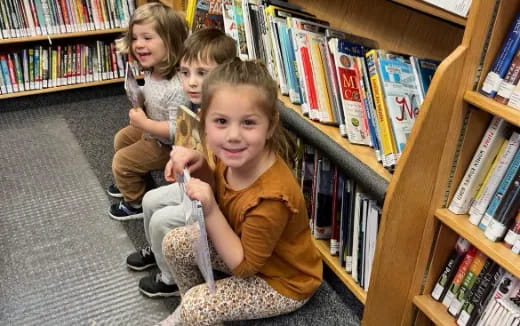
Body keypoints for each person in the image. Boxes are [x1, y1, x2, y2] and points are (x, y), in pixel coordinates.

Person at [160, 59, 323, 325]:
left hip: (282, 280)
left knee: (197, 306)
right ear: (204, 121)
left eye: (248, 123)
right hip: (241, 245)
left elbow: (245, 267)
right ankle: (190, 309)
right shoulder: (230, 153)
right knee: (174, 244)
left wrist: (210, 208)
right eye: (221, 121)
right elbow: (220, 190)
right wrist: (199, 165)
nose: (233, 135)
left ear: (270, 126)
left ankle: (193, 311)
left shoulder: (272, 197)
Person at [125, 29, 238, 298]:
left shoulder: (227, 118)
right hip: (197, 183)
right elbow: (189, 143)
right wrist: (178, 159)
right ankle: (158, 249)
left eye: (203, 73)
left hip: (217, 199)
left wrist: (193, 165)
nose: (191, 82)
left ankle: (169, 279)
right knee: (151, 200)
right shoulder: (196, 106)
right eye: (185, 73)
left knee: (162, 220)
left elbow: (221, 177)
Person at [107, 3, 189, 220]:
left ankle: (135, 203)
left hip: (168, 145)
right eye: (134, 38)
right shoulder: (155, 69)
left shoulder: (178, 87)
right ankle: (132, 178)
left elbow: (176, 131)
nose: (138, 45)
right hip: (153, 127)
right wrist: (139, 92)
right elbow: (153, 92)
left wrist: (144, 124)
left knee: (121, 162)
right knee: (121, 139)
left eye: (147, 38)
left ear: (171, 41)